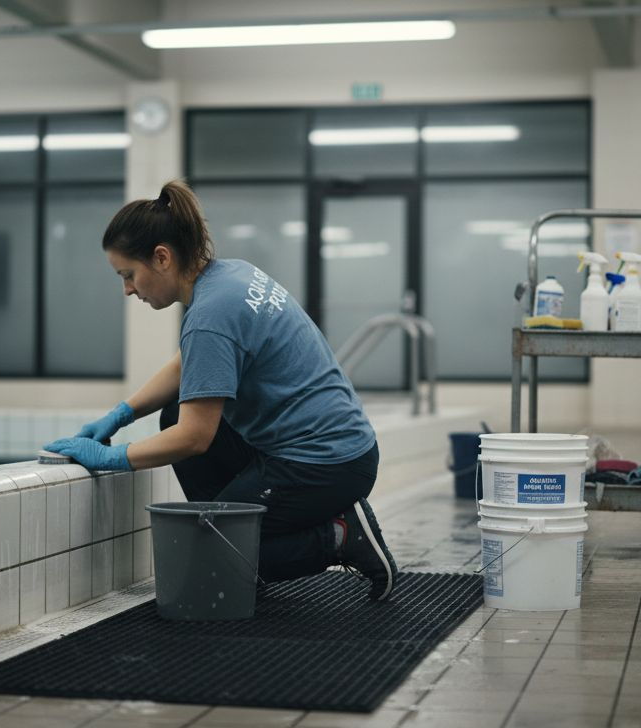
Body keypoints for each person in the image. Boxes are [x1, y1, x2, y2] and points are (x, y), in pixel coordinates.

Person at [43, 179, 399, 600]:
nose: (128, 289)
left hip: (326, 463)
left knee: (214, 551)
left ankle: (339, 534)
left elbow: (195, 438)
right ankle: (239, 529)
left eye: (128, 275)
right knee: (175, 411)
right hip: (335, 448)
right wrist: (121, 414)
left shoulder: (211, 313)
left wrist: (112, 458)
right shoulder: (229, 275)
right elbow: (190, 363)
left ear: (161, 257)